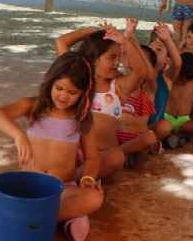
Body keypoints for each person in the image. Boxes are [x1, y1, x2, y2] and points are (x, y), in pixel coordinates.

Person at [0, 52, 104, 241]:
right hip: (28, 185)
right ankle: (60, 219)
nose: (64, 96)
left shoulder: (82, 120)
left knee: (94, 198)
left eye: (73, 93)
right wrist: (19, 135)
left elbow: (92, 157)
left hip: (62, 189)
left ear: (84, 93)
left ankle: (14, 219)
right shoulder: (32, 106)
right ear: (50, 82)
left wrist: (89, 177)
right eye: (59, 88)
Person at [57, 20, 148, 183]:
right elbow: (62, 42)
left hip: (103, 158)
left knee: (117, 155)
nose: (117, 63)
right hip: (75, 152)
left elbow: (140, 73)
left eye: (118, 57)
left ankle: (67, 181)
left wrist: (125, 42)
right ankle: (74, 179)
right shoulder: (78, 80)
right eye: (112, 57)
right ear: (94, 59)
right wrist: (94, 30)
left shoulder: (118, 86)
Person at [117, 19, 165, 167]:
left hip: (138, 139)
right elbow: (124, 52)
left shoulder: (149, 89)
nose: (132, 62)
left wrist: (136, 46)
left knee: (150, 138)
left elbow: (150, 75)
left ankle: (126, 155)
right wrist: (129, 32)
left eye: (139, 60)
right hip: (115, 137)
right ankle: (122, 154)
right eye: (131, 59)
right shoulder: (119, 81)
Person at [146, 23, 182, 148]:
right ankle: (151, 144)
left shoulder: (166, 77)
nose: (154, 51)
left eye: (159, 49)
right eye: (150, 48)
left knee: (166, 126)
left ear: (168, 60)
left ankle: (150, 143)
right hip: (134, 126)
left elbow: (177, 64)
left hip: (153, 126)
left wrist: (168, 39)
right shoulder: (138, 74)